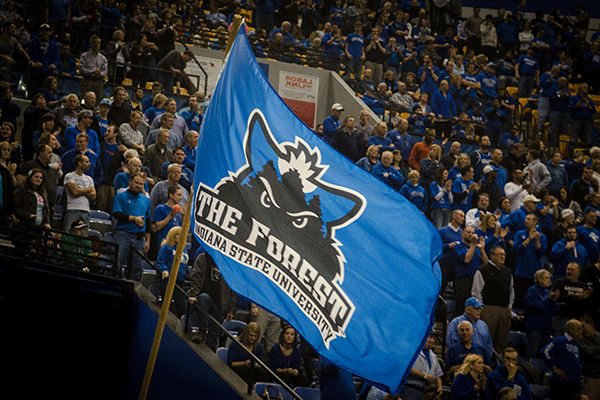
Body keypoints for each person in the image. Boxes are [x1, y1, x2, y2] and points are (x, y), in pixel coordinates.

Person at [187, 250, 236, 349]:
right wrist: (193, 294)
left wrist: (230, 309)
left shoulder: (228, 265)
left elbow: (232, 289)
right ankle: (203, 330)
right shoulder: (204, 257)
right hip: (205, 298)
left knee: (214, 335)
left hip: (220, 304)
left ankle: (211, 353)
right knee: (204, 297)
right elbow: (196, 276)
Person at [471, 246, 514, 354]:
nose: (502, 256)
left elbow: (511, 290)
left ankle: (498, 366)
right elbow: (476, 292)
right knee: (486, 340)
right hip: (488, 310)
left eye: (504, 254)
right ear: (492, 255)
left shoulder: (507, 271)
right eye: (500, 254)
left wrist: (509, 307)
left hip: (504, 311)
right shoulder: (483, 270)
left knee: (502, 342)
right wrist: (481, 309)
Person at [112, 173, 152, 280]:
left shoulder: (146, 200)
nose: (138, 186)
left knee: (137, 267)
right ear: (130, 182)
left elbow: (148, 220)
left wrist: (148, 240)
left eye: (141, 184)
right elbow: (116, 213)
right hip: (123, 234)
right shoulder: (120, 196)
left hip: (139, 237)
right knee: (119, 262)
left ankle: (134, 289)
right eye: (136, 183)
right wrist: (134, 219)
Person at [12, 168, 51, 256]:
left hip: (38, 231)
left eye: (40, 178)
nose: (38, 179)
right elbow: (15, 207)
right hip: (24, 229)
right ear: (30, 177)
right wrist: (28, 216)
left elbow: (46, 210)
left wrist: (47, 222)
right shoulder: (21, 190)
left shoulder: (43, 193)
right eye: (36, 177)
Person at [523, 269, 560, 360]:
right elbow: (537, 307)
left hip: (546, 329)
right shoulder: (532, 291)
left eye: (549, 278)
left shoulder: (548, 293)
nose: (549, 280)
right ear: (539, 279)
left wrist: (554, 301)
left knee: (544, 355)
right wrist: (549, 300)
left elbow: (556, 311)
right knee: (532, 353)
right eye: (546, 278)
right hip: (535, 328)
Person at [542, 319, 584, 400]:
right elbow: (544, 351)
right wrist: (553, 367)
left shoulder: (576, 344)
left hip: (574, 382)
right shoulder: (560, 341)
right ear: (571, 330)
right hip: (561, 382)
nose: (581, 331)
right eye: (578, 328)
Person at [447, 297, 494, 365]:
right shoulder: (456, 322)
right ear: (468, 310)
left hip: (481, 364)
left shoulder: (483, 325)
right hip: (462, 363)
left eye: (480, 308)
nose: (479, 311)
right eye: (476, 308)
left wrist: (485, 361)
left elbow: (489, 345)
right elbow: (451, 345)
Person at [16, 144, 60, 214]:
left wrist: (53, 203)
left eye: (51, 152)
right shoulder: (30, 165)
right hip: (32, 207)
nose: (51, 155)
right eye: (49, 152)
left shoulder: (51, 171)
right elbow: (19, 182)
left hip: (48, 209)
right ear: (41, 153)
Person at [552, 263, 593, 337]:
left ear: (578, 273)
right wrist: (574, 297)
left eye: (572, 270)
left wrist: (585, 299)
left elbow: (589, 305)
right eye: (568, 269)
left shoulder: (583, 286)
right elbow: (556, 299)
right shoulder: (559, 283)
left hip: (578, 319)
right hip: (561, 318)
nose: (569, 271)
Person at [156, 226, 188, 317]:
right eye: (178, 234)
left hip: (179, 281)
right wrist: (164, 270)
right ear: (172, 235)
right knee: (167, 306)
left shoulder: (185, 250)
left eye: (182, 234)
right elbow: (160, 261)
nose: (180, 236)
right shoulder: (166, 247)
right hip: (167, 280)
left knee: (182, 307)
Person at [403, 329, 443, 400]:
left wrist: (439, 386)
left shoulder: (433, 355)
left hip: (427, 393)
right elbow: (406, 368)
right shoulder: (412, 351)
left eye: (433, 338)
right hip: (411, 390)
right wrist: (424, 375)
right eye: (430, 337)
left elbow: (438, 375)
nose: (432, 340)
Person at [63, 154, 96, 234]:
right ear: (80, 163)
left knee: (84, 238)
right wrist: (88, 189)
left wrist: (79, 189)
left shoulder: (89, 179)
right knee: (69, 235)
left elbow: (93, 196)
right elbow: (75, 192)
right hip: (72, 210)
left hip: (86, 211)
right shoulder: (69, 176)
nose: (89, 164)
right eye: (87, 162)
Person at [78, 33, 108, 101]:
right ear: (91, 43)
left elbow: (105, 71)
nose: (96, 44)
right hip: (87, 80)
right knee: (84, 100)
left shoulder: (103, 58)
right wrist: (92, 72)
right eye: (94, 43)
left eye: (98, 43)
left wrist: (100, 73)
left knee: (97, 101)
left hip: (98, 82)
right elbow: (82, 69)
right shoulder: (84, 56)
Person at [580, 316, 600, 400]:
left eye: (583, 326)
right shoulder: (581, 340)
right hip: (592, 378)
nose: (582, 330)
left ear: (591, 325)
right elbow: (588, 351)